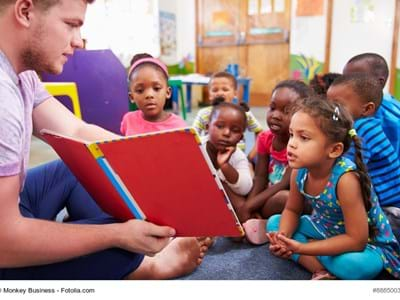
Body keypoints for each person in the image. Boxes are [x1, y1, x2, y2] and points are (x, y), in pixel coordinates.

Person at [0, 0, 208, 280]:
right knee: (125, 247)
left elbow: (76, 131)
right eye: (71, 25)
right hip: (5, 241)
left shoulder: (22, 74)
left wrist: (163, 168)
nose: (79, 42)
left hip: (14, 207)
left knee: (86, 163)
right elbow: (3, 242)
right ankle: (150, 268)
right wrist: (117, 234)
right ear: (25, 11)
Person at [244, 97, 400, 280]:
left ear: (334, 150)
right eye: (292, 134)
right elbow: (292, 210)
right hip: (324, 228)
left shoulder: (346, 180)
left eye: (304, 138)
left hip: (367, 244)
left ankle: (317, 258)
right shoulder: (299, 171)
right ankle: (325, 268)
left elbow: (356, 241)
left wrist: (301, 248)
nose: (292, 143)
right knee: (275, 223)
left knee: (356, 265)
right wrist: (283, 237)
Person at [327, 73, 400, 240]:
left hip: (391, 210)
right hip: (376, 205)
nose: (331, 111)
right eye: (328, 105)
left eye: (337, 105)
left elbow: (344, 170)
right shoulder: (352, 127)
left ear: (367, 109)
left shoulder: (364, 129)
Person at [242, 80, 311, 228]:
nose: (275, 115)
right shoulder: (265, 138)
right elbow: (260, 177)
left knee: (283, 198)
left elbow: (285, 184)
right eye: (272, 108)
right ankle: (258, 219)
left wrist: (249, 206)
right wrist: (249, 205)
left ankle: (265, 222)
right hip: (269, 192)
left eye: (286, 111)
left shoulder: (301, 144)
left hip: (292, 196)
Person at [192, 71, 263, 161]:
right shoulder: (203, 113)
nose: (220, 93)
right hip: (210, 159)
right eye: (215, 90)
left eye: (225, 89)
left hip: (236, 160)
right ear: (209, 95)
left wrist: (251, 155)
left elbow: (260, 133)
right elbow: (193, 135)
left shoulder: (243, 113)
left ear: (235, 94)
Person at [203, 102, 253, 224]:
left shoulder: (238, 156)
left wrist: (225, 166)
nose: (226, 133)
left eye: (235, 130)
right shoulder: (195, 147)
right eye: (220, 126)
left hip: (223, 205)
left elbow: (245, 188)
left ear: (241, 137)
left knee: (238, 200)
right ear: (207, 127)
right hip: (196, 198)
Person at [343, 53, 400, 155]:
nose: (345, 85)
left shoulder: (391, 120)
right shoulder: (349, 107)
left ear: (379, 82)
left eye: (355, 80)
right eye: (344, 79)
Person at [120, 53, 187, 135]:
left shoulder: (179, 126)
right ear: (131, 97)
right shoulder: (128, 120)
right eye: (140, 90)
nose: (149, 95)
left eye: (156, 88)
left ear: (168, 92)